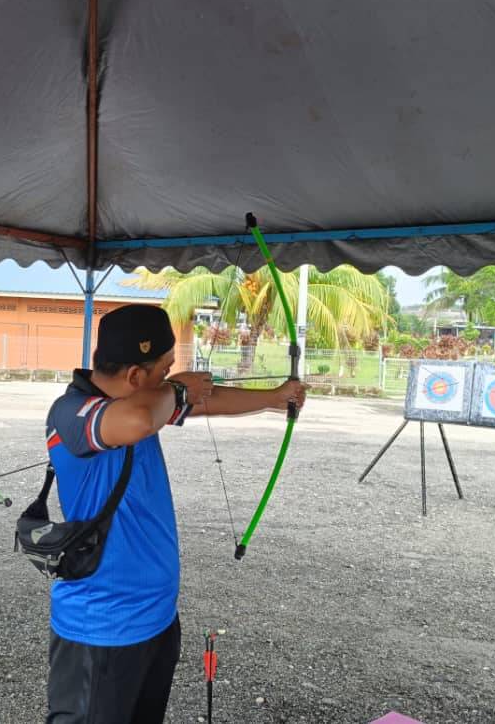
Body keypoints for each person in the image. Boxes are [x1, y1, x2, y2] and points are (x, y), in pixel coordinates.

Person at [44, 303, 307, 723]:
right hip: (101, 629)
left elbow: (205, 401)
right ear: (134, 376)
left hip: (156, 619)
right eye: (165, 370)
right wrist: (179, 389)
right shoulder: (74, 412)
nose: (170, 377)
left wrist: (276, 398)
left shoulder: (144, 398)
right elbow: (141, 417)